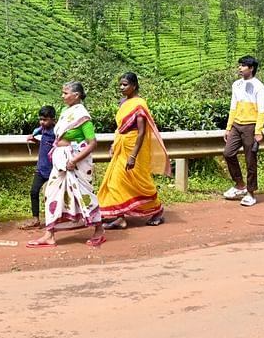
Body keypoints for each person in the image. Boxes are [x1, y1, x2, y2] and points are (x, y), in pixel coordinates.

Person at [27, 81, 107, 248]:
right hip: (61, 161)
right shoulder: (65, 111)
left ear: (76, 95)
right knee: (52, 193)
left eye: (65, 93)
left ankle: (99, 230)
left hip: (74, 162)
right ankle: (49, 234)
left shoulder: (83, 116)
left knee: (83, 195)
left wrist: (74, 160)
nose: (62, 96)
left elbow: (92, 143)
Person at [98, 72, 171, 229]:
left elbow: (142, 132)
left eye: (125, 85)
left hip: (134, 147)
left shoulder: (139, 104)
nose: (121, 87)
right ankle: (119, 217)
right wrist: (114, 143)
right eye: (121, 85)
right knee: (115, 181)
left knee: (140, 181)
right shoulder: (123, 103)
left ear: (134, 86)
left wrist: (133, 156)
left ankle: (157, 210)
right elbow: (119, 128)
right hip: (121, 145)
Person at [223, 55, 264, 207]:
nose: (240, 68)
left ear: (251, 68)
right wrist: (229, 127)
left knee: (250, 160)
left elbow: (262, 110)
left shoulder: (258, 86)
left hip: (251, 126)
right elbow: (233, 106)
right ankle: (239, 184)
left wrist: (258, 131)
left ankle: (250, 192)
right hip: (237, 124)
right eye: (240, 65)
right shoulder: (236, 85)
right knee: (228, 153)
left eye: (243, 66)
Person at [18, 105, 57, 230]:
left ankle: (55, 219)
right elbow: (45, 143)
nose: (42, 122)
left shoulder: (56, 132)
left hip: (53, 169)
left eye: (45, 120)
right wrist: (35, 140)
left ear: (53, 120)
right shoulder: (43, 129)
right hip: (41, 168)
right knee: (34, 192)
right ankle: (35, 219)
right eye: (40, 119)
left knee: (52, 196)